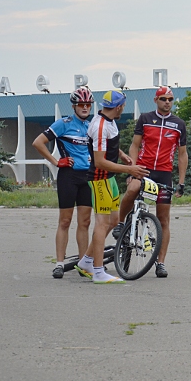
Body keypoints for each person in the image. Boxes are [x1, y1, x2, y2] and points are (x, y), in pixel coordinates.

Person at [112, 86, 188, 278]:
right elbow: (135, 145)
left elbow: (182, 154)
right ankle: (121, 223)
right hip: (143, 169)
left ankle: (160, 263)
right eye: (163, 99)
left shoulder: (179, 124)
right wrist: (132, 168)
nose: (167, 102)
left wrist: (181, 182)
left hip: (163, 173)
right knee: (132, 189)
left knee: (163, 219)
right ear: (156, 100)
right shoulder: (145, 119)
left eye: (170, 99)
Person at [74, 90, 149, 284]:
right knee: (102, 223)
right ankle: (98, 272)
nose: (123, 108)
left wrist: (122, 154)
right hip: (100, 179)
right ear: (119, 106)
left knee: (114, 220)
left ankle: (87, 261)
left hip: (110, 178)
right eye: (123, 105)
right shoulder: (99, 126)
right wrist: (130, 169)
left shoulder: (109, 121)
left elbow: (107, 145)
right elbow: (99, 162)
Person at [32, 87, 95, 278]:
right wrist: (56, 161)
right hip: (68, 176)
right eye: (81, 104)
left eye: (88, 104)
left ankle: (84, 264)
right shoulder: (64, 123)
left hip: (87, 177)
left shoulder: (92, 125)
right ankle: (59, 263)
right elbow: (37, 142)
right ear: (74, 106)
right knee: (65, 221)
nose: (85, 107)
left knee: (85, 221)